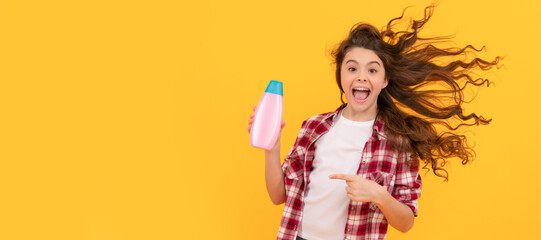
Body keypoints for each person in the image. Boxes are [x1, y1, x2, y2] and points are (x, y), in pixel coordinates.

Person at [248, 4, 500, 240]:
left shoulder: (398, 140)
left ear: (385, 80)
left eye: (372, 70)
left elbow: (406, 222)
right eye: (352, 68)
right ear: (341, 75)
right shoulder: (313, 127)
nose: (361, 77)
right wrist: (271, 145)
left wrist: (378, 195)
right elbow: (278, 196)